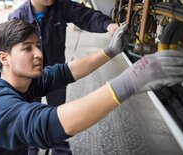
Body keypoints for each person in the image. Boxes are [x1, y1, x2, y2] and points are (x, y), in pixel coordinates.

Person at [0, 20, 183, 155]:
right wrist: (130, 81)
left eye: (37, 45)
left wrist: (110, 51)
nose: (39, 54)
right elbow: (47, 124)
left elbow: (63, 72)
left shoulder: (20, 81)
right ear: (4, 58)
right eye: (27, 49)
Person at [9, 1, 118, 153]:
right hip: (29, 79)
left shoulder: (62, 6)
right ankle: (30, 149)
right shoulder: (17, 17)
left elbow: (86, 16)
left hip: (56, 77)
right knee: (28, 117)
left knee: (59, 116)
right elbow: (10, 55)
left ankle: (60, 150)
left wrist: (109, 25)